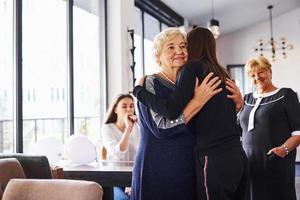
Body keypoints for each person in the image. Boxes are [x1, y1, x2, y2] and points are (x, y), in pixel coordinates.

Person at [133, 27, 249, 200]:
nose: (179, 51)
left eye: (183, 46)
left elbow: (215, 121)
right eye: (171, 47)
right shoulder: (150, 82)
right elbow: (162, 130)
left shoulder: (192, 82)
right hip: (158, 166)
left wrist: (238, 105)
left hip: (192, 165)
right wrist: (197, 102)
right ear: (158, 56)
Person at [238, 56, 300, 200]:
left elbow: (298, 132)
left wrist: (283, 150)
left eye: (261, 72)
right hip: (250, 163)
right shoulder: (246, 99)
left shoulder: (285, 95)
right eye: (252, 75)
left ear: (270, 72)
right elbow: (237, 130)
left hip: (276, 161)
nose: (257, 77)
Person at [102, 93, 140, 200]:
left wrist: (131, 182)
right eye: (124, 106)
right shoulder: (107, 129)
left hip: (134, 178)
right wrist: (128, 128)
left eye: (131, 106)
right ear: (115, 109)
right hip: (114, 180)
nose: (129, 109)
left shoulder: (138, 128)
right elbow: (118, 153)